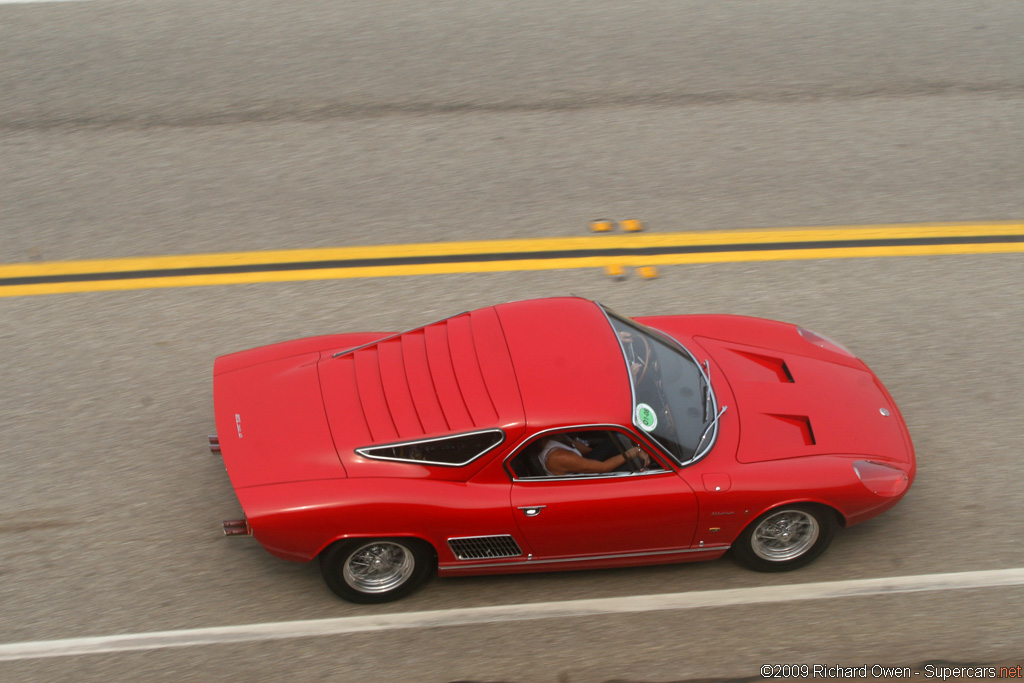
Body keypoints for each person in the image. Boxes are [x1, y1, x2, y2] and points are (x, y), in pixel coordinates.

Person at [536, 436, 649, 476]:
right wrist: (635, 451)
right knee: (637, 462)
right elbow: (604, 467)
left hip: (581, 467)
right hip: (582, 486)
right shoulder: (558, 457)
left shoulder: (557, 437)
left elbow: (587, 451)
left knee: (617, 439)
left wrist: (619, 456)